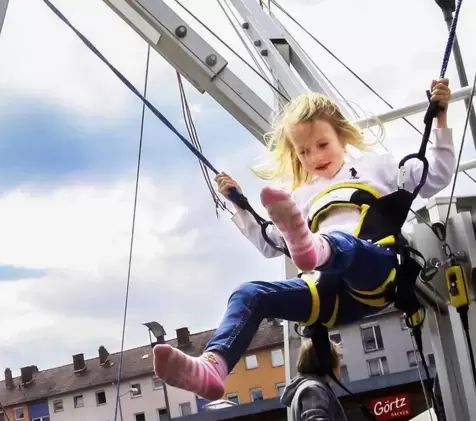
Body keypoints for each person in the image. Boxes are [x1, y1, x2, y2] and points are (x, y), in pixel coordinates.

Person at [152, 79, 453, 401]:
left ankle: (316, 248)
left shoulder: (374, 168)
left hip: (377, 272)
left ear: (341, 135)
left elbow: (436, 174)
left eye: (322, 145)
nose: (315, 157)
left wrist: (440, 118)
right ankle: (213, 365)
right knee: (249, 293)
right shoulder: (300, 196)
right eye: (304, 152)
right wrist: (236, 202)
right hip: (330, 295)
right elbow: (269, 243)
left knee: (344, 244)